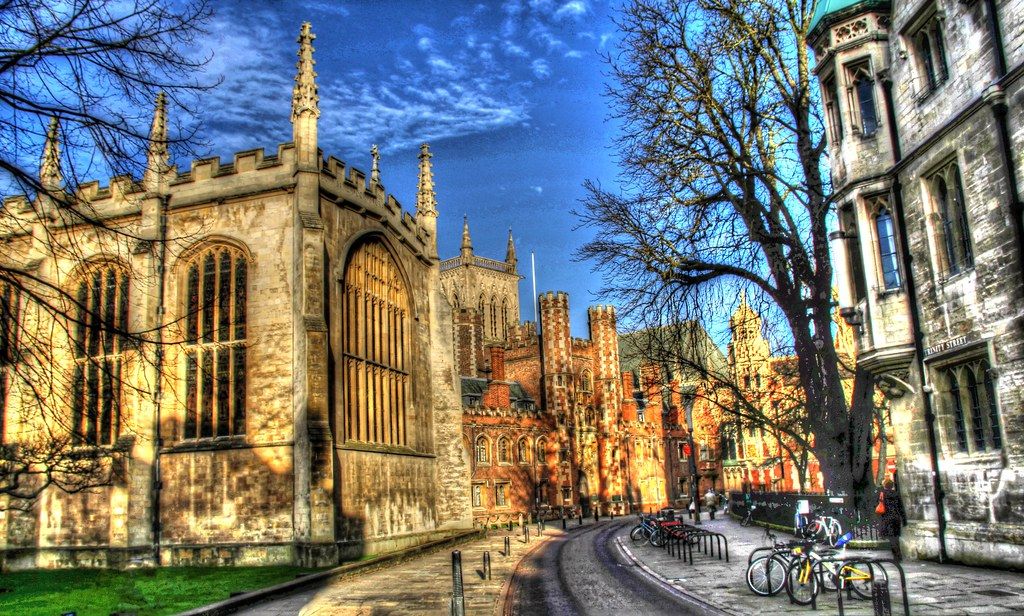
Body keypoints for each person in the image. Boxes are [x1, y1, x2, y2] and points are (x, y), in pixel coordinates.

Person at [877, 478, 907, 561]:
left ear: (884, 485)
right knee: (896, 537)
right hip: (896, 518)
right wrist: (904, 520)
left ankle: (896, 556)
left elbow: (879, 506)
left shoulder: (882, 494)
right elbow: (901, 507)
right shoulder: (896, 494)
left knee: (891, 538)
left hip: (887, 518)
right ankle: (898, 555)